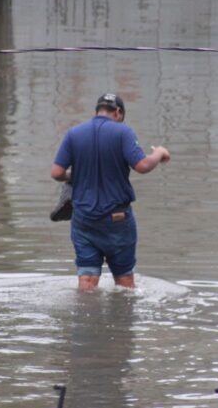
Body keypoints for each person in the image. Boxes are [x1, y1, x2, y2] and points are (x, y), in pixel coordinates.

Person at [51, 93, 170, 292]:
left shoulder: (74, 134)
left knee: (87, 282)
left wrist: (75, 174)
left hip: (84, 221)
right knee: (125, 285)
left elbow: (56, 172)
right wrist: (159, 153)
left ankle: (86, 319)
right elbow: (142, 165)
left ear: (97, 110)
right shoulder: (123, 132)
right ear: (118, 112)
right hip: (117, 221)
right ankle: (120, 321)